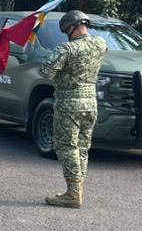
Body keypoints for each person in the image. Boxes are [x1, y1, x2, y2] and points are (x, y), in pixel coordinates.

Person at [40, 10, 108, 208]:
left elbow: (46, 71)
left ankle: (72, 193)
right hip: (91, 102)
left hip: (69, 103)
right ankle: (78, 189)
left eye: (66, 30)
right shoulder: (100, 44)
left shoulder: (67, 49)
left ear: (71, 27)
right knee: (82, 148)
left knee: (67, 147)